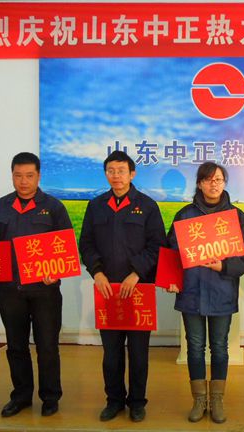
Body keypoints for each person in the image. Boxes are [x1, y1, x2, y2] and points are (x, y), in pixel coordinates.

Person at [0, 152, 72, 418]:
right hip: (9, 290)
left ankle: (50, 397)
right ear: (12, 175)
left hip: (45, 291)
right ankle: (20, 396)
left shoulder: (53, 207)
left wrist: (57, 272)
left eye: (29, 176)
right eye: (18, 175)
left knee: (47, 346)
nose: (23, 181)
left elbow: (65, 247)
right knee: (16, 346)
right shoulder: (0, 207)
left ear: (38, 176)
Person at [79, 151, 165, 422]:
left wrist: (137, 273)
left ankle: (137, 402)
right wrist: (97, 272)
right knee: (111, 353)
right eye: (111, 171)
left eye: (121, 171)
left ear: (132, 174)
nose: (116, 176)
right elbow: (86, 244)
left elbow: (158, 245)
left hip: (138, 289)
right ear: (106, 174)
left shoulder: (147, 206)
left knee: (138, 354)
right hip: (107, 290)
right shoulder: (96, 206)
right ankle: (114, 400)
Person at [166, 161, 244, 424]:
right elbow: (171, 252)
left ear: (225, 183)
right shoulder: (184, 215)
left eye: (218, 179)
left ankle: (216, 400)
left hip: (221, 290)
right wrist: (171, 280)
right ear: (199, 183)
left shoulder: (237, 217)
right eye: (208, 180)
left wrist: (224, 266)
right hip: (191, 291)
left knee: (219, 347)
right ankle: (198, 399)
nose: (213, 184)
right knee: (194, 347)